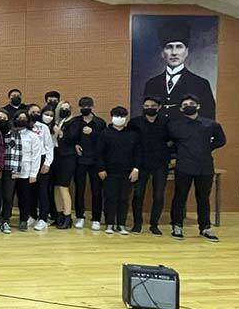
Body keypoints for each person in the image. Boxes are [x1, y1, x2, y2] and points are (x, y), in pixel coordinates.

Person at [167, 95, 226, 241]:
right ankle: (177, 226)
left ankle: (205, 228)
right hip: (184, 166)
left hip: (205, 167)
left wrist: (207, 148)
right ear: (181, 109)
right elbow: (169, 143)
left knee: (203, 198)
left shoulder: (210, 124)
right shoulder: (175, 125)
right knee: (180, 197)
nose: (188, 106)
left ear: (198, 106)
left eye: (191, 103)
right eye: (185, 104)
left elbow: (221, 140)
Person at [141, 22, 217, 119]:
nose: (174, 53)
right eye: (169, 47)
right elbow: (145, 119)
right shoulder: (152, 84)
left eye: (179, 47)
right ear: (162, 53)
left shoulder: (201, 84)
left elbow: (208, 120)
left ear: (186, 52)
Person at [98, 107, 142, 235]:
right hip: (109, 172)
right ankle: (110, 224)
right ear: (111, 117)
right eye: (117, 116)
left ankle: (121, 224)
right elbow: (99, 153)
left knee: (124, 199)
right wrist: (101, 168)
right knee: (110, 198)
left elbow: (138, 153)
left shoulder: (132, 134)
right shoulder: (105, 133)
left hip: (127, 173)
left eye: (122, 116)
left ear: (126, 118)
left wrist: (136, 169)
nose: (119, 118)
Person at [132, 96, 171, 235]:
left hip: (160, 164)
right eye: (147, 106)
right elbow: (131, 143)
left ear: (159, 107)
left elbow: (173, 141)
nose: (150, 108)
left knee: (159, 195)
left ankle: (154, 225)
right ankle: (137, 224)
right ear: (143, 107)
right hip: (141, 164)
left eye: (153, 106)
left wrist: (172, 157)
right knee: (138, 194)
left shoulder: (166, 122)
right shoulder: (135, 122)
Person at [65, 96, 106, 230]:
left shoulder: (100, 122)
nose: (85, 108)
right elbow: (68, 139)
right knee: (79, 190)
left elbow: (105, 141)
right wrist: (75, 145)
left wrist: (93, 132)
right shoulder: (74, 121)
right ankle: (80, 217)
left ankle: (96, 219)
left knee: (96, 190)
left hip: (95, 161)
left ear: (92, 107)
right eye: (83, 106)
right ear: (79, 107)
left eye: (88, 106)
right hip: (79, 161)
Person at [25, 104, 56, 231]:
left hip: (41, 160)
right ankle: (32, 215)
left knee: (42, 191)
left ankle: (43, 219)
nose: (36, 114)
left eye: (38, 112)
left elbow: (49, 146)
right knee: (29, 190)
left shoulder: (43, 127)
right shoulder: (23, 126)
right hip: (28, 161)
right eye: (33, 112)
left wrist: (47, 163)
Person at [12, 112, 42, 231]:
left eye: (24, 118)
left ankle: (23, 220)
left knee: (24, 197)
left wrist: (33, 173)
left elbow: (36, 156)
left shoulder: (32, 136)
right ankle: (5, 219)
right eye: (19, 118)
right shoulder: (10, 134)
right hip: (11, 171)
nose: (21, 120)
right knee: (8, 197)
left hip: (26, 172)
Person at [50, 101, 77, 229]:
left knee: (63, 186)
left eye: (67, 108)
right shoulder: (56, 122)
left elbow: (72, 138)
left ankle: (67, 217)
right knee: (56, 187)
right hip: (56, 156)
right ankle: (59, 216)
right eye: (62, 108)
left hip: (67, 157)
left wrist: (60, 132)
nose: (64, 110)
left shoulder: (73, 122)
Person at [0, 107, 20, 233]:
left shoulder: (14, 133)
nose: (1, 120)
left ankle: (6, 220)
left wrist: (16, 170)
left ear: (8, 119)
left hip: (9, 168)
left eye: (3, 118)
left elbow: (17, 152)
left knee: (8, 197)